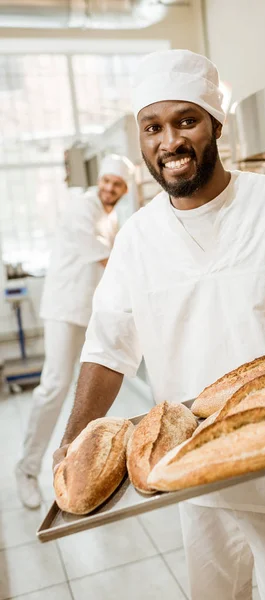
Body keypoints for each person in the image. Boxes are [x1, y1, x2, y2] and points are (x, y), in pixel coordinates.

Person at [53, 50, 265, 600]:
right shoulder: (138, 240)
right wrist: (75, 437)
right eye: (153, 127)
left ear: (215, 124)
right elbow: (107, 347)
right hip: (189, 467)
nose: (169, 142)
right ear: (141, 140)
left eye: (185, 121)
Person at [16, 154, 134, 509]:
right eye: (107, 181)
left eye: (118, 184)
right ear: (99, 181)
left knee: (87, 394)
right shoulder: (82, 208)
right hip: (65, 310)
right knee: (55, 386)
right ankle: (26, 469)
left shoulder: (111, 215)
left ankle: (81, 467)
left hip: (90, 312)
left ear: (125, 189)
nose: (110, 188)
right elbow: (108, 261)